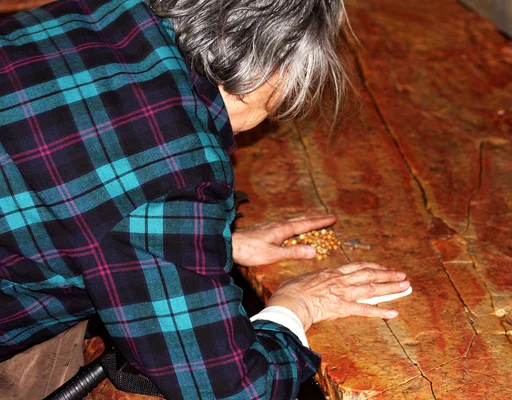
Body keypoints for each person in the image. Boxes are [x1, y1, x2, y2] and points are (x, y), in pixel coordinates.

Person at [0, 0, 411, 399]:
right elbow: (233, 389)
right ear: (277, 64)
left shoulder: (107, 9)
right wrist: (295, 305)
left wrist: (203, 242)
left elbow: (71, 192)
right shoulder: (171, 173)